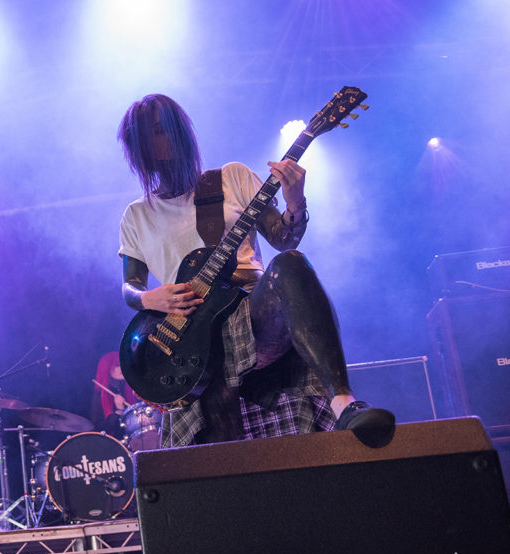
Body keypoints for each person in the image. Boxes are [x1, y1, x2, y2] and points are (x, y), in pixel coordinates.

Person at [117, 94, 394, 448]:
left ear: (179, 129)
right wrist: (148, 297)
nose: (157, 143)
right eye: (145, 137)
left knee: (291, 264)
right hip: (193, 337)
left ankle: (344, 402)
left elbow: (284, 240)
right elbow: (129, 285)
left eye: (160, 130)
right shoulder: (136, 216)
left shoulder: (232, 178)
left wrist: (296, 201)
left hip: (254, 311)